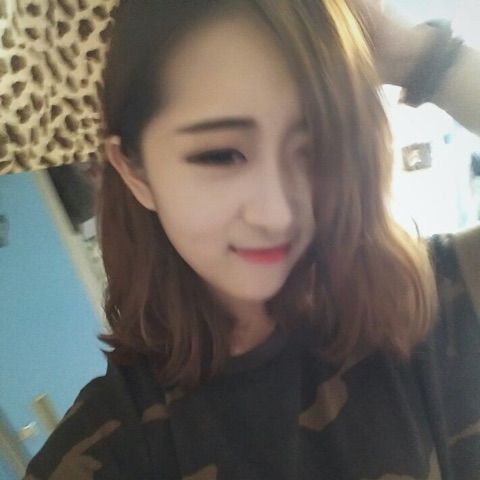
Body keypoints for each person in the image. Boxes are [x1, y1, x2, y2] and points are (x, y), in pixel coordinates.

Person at [24, 0, 480, 479]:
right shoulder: (107, 453)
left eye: (317, 149)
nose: (276, 213)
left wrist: (417, 56)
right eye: (220, 155)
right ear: (135, 173)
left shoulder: (438, 301)